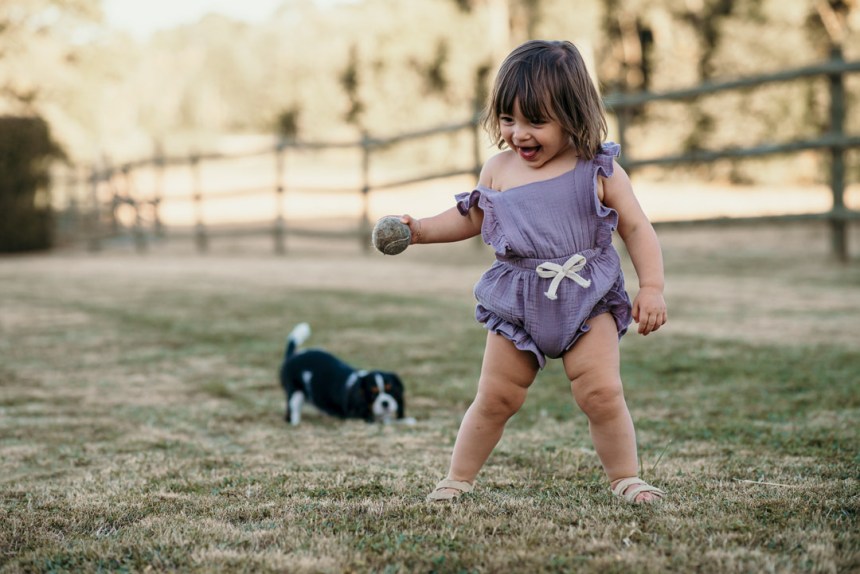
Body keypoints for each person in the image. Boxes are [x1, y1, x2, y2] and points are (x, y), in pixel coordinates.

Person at [396, 40, 667, 504]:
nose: (519, 134)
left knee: (601, 393)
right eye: (508, 119)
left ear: (572, 114)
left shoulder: (598, 168)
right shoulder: (498, 170)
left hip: (588, 296)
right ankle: (457, 479)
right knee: (496, 398)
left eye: (535, 121)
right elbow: (471, 218)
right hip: (519, 301)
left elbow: (637, 227)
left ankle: (626, 478)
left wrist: (653, 286)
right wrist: (419, 230)